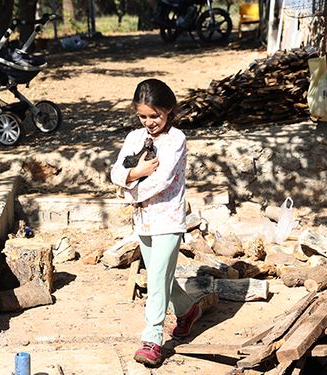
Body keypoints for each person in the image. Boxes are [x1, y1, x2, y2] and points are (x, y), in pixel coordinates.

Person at [110, 78, 202, 366]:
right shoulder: (134, 139)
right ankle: (188, 311)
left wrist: (128, 191)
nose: (149, 122)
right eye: (143, 116)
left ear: (169, 110)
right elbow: (115, 172)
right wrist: (135, 172)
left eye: (155, 116)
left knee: (156, 280)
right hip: (143, 220)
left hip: (168, 218)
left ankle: (152, 339)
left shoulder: (176, 140)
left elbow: (163, 181)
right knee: (161, 276)